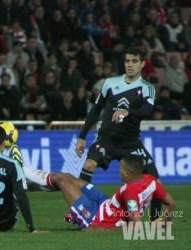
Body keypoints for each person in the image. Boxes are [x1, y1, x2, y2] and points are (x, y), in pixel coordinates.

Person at [75, 47, 162, 221]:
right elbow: (95, 110)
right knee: (89, 165)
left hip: (130, 142)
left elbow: (147, 110)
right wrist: (82, 137)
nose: (130, 65)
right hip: (106, 139)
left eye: (134, 61)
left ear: (142, 64)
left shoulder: (147, 88)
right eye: (127, 61)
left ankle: (155, 219)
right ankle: (81, 211)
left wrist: (127, 112)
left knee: (154, 180)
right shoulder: (109, 83)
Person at [20, 154, 175, 231]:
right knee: (67, 177)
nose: (119, 172)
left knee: (61, 179)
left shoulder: (130, 192)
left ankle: (21, 169)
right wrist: (166, 223)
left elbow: (137, 226)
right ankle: (22, 186)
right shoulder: (151, 180)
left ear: (128, 173)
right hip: (104, 203)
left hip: (95, 218)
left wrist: (155, 226)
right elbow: (171, 204)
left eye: (121, 169)